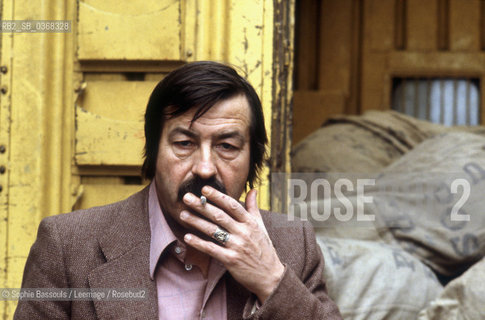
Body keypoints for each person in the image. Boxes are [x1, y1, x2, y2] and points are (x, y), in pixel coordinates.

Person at [14, 61, 342, 319]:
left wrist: (271, 281)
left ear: (252, 160)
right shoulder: (67, 247)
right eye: (184, 143)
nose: (204, 167)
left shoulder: (291, 245)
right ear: (154, 152)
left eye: (227, 146)